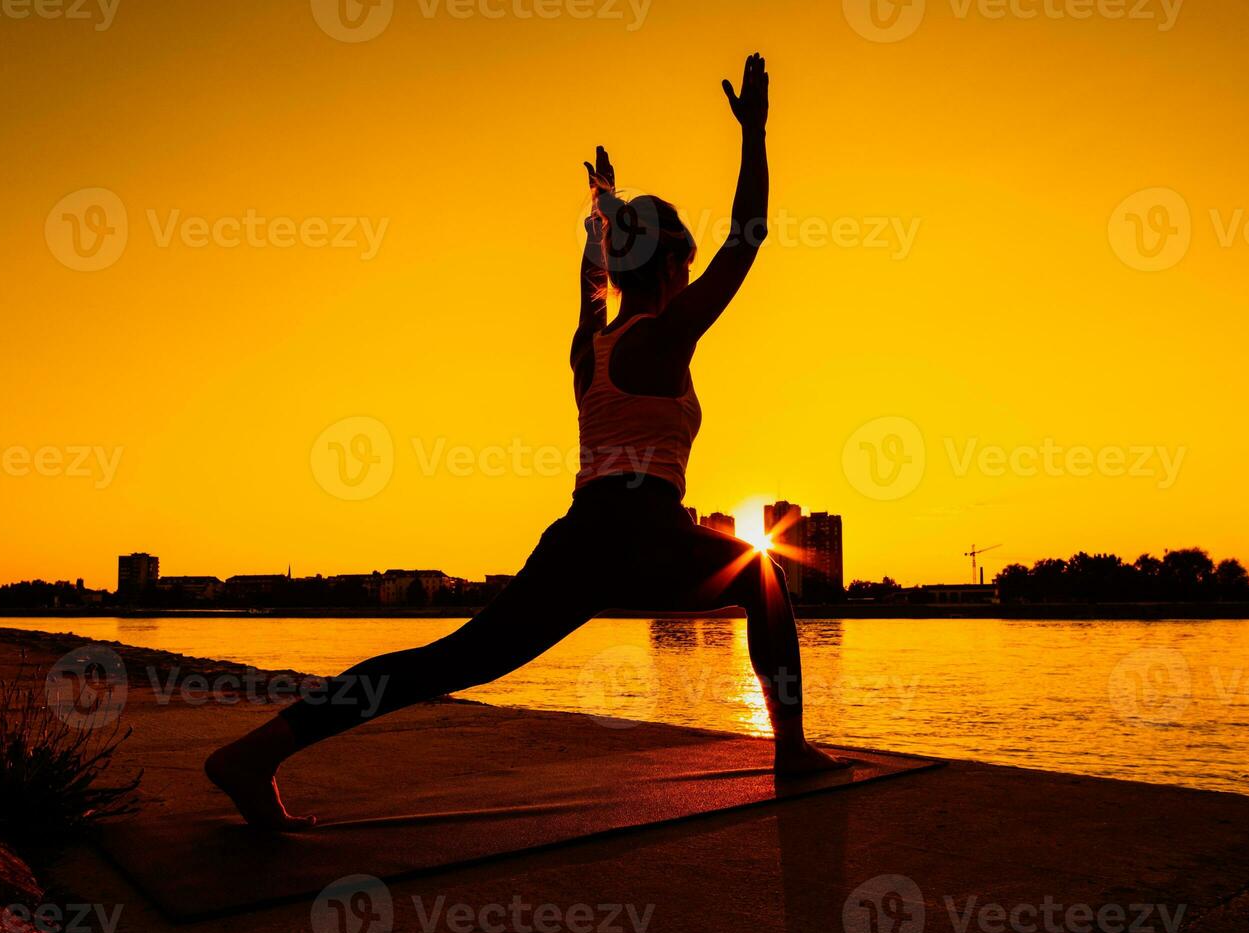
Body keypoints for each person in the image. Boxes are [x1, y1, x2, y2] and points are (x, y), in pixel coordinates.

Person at [206, 54, 844, 831]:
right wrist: (754, 136)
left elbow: (586, 285)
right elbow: (749, 240)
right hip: (645, 531)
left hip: (580, 537)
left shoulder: (591, 348)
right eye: (686, 257)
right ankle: (792, 750)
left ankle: (257, 753)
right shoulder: (668, 335)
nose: (692, 268)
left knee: (450, 660)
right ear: (676, 263)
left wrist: (601, 207)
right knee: (765, 579)